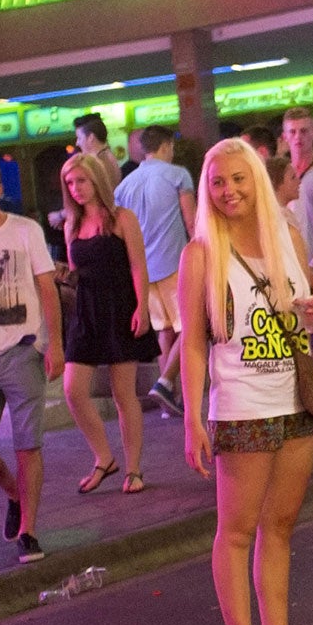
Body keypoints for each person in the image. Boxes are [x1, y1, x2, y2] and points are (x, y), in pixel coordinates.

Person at [179, 139, 313, 625]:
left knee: (282, 525)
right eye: (218, 182)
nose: (229, 191)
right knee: (238, 530)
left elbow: (298, 321)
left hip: (294, 401)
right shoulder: (200, 253)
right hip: (242, 408)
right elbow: (195, 343)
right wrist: (193, 418)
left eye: (239, 179)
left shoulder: (287, 236)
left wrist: (311, 311)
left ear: (258, 181)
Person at [60, 153, 157, 495]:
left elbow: (137, 266)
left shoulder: (121, 218)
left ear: (97, 180)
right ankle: (104, 457)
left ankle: (133, 469)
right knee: (72, 389)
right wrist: (63, 275)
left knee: (123, 393)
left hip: (118, 306)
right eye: (70, 184)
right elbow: (75, 271)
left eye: (82, 181)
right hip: (85, 311)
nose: (76, 189)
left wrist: (142, 307)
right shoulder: (72, 225)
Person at [0, 161, 63, 563]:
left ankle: (29, 531)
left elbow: (48, 290)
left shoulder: (24, 230)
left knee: (27, 446)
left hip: (22, 351)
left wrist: (54, 345)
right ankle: (13, 492)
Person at [114, 125, 196, 417]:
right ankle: (168, 386)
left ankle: (168, 401)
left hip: (143, 270)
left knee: (165, 330)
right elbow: (190, 222)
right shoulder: (178, 175)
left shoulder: (123, 187)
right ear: (166, 145)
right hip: (175, 263)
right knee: (190, 328)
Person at [285, 108, 313, 255]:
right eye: (292, 132)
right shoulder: (281, 175)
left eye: (304, 131)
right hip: (292, 264)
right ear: (285, 136)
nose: (298, 137)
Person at [72, 114, 122, 190]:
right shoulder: (106, 157)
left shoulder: (99, 162)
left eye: (79, 138)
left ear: (91, 137)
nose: (77, 143)